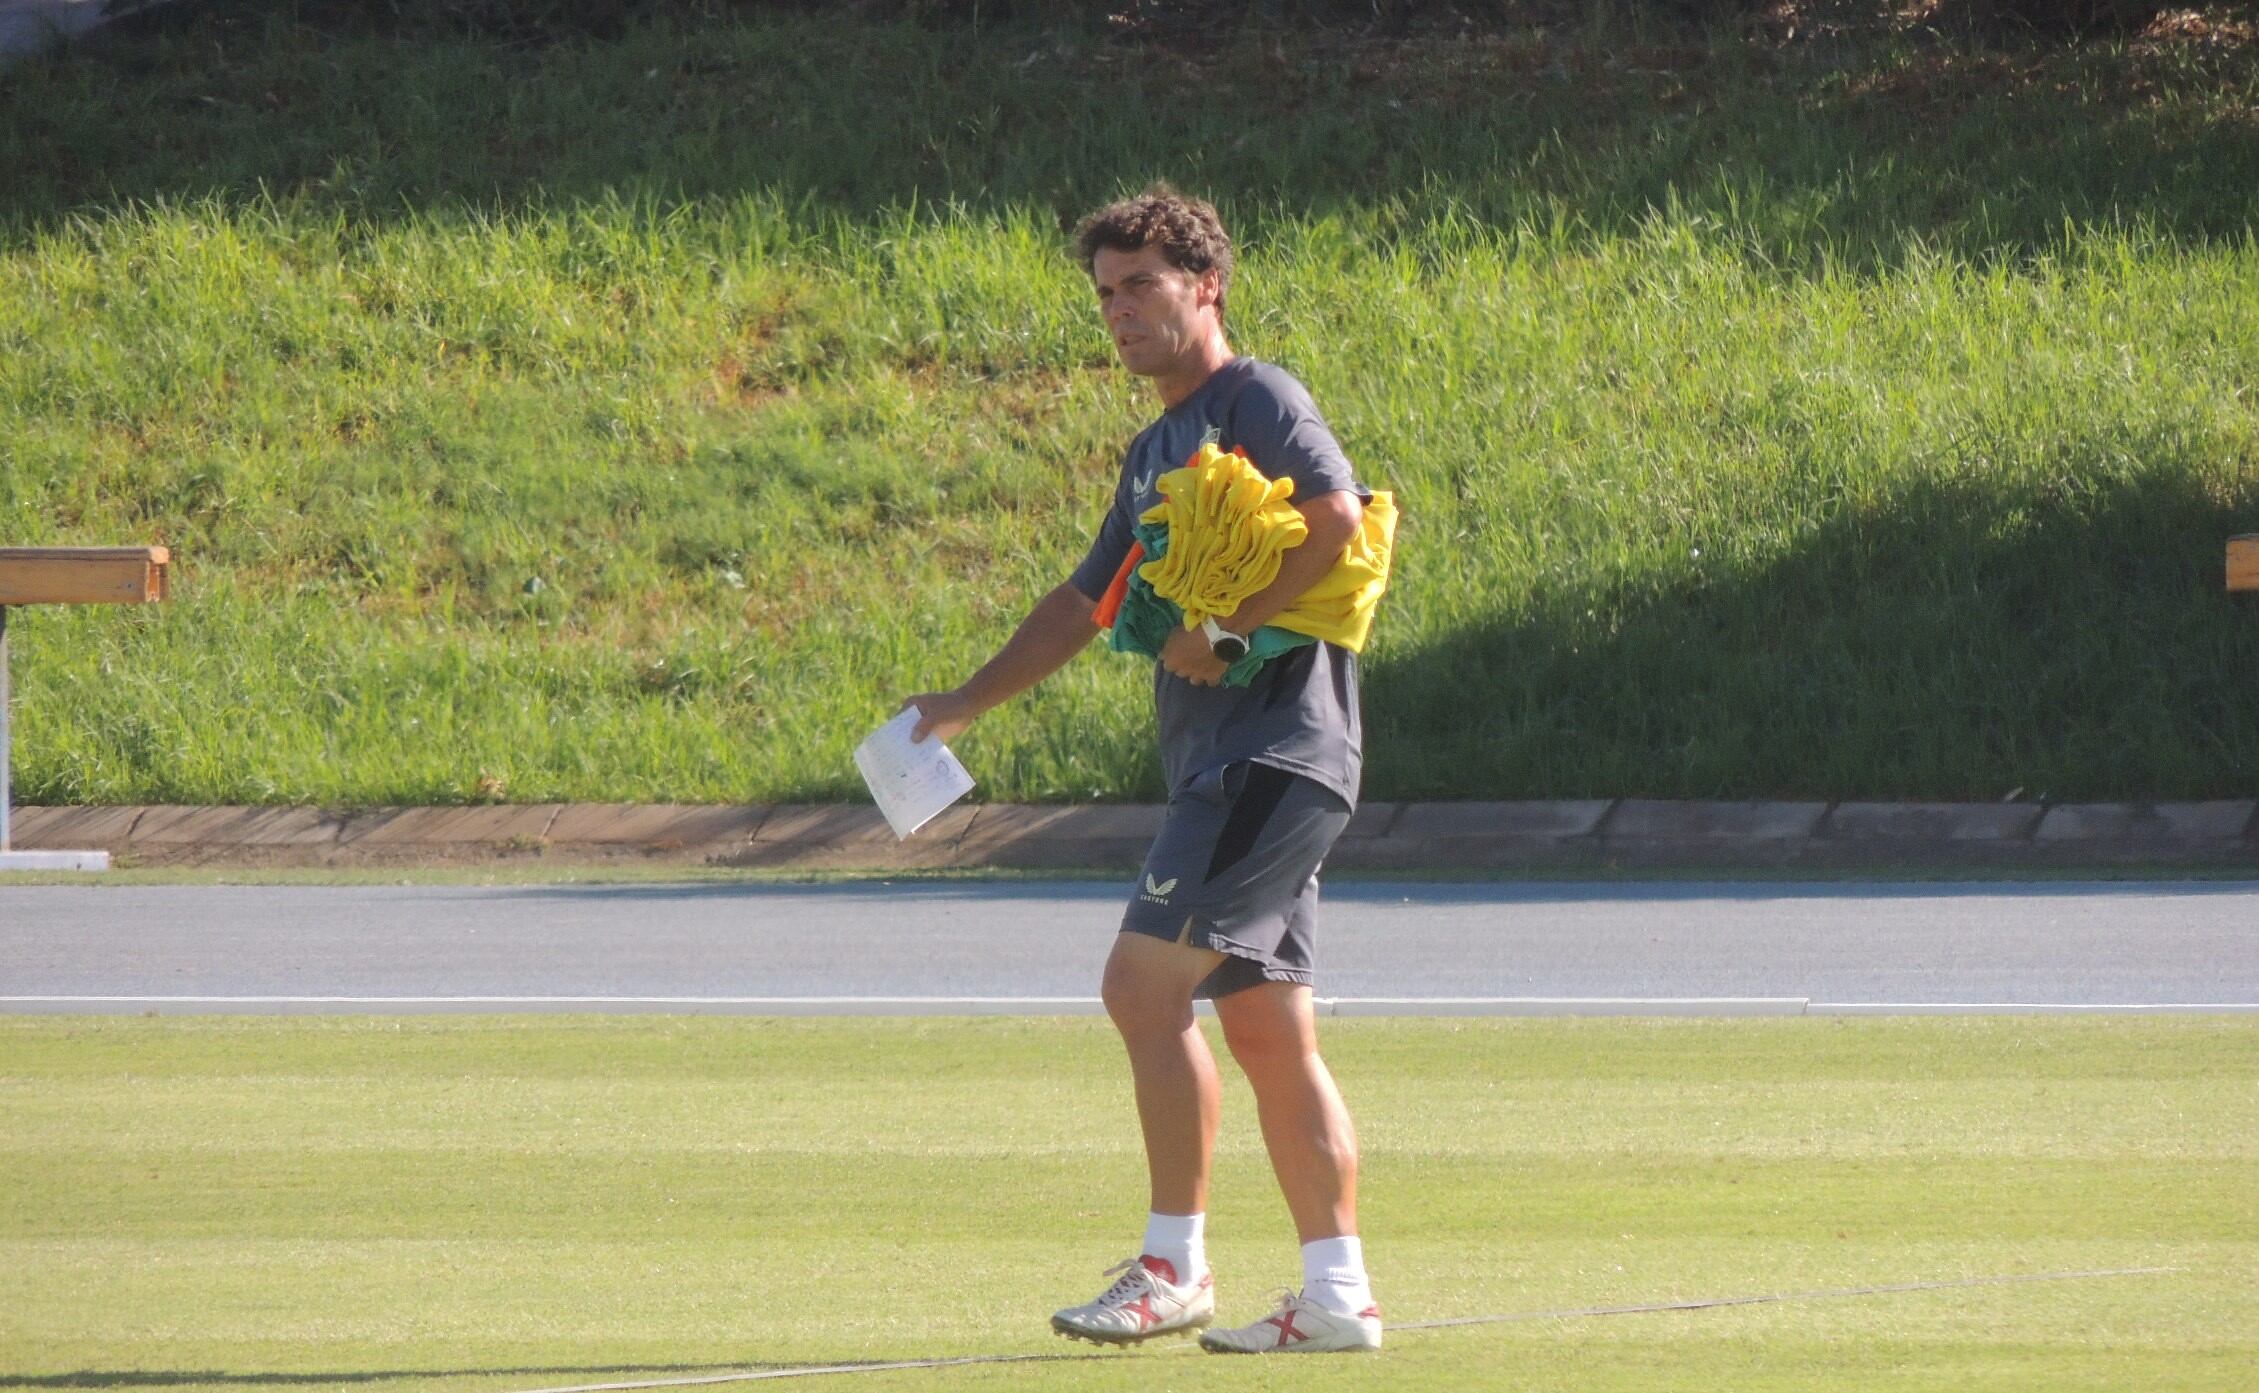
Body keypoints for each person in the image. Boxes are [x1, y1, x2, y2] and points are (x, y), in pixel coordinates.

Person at [900, 186, 1381, 1356]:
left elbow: (1339, 520)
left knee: (1139, 990)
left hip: (1270, 754)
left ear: (1205, 286)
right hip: (1238, 765)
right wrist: (962, 704)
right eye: (1106, 292)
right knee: (1268, 1034)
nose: (1119, 311)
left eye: (1143, 286)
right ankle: (1336, 1298)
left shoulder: (1253, 397)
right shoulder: (1152, 447)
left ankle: (1173, 1264)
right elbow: (1082, 603)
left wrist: (1226, 631)